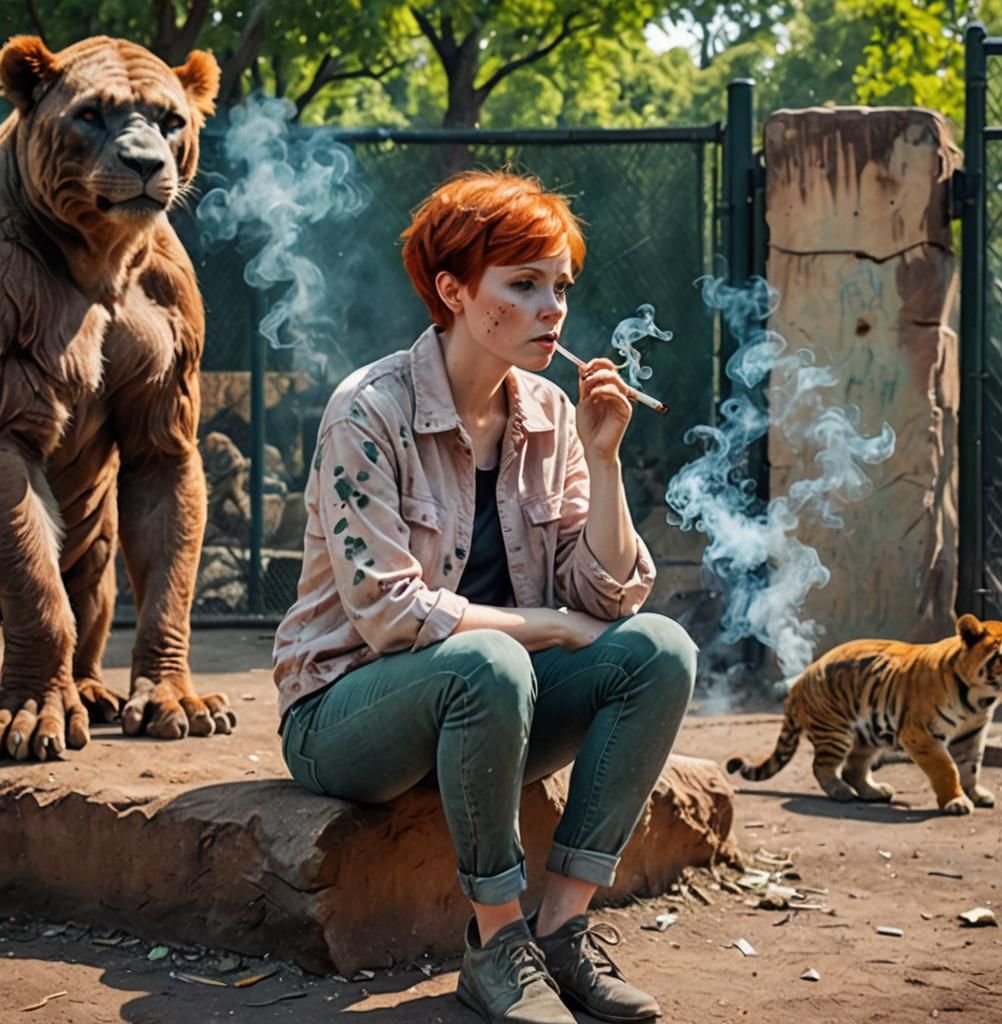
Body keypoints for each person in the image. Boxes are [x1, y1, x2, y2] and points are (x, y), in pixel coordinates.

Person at [273, 170, 698, 1024]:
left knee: (659, 650)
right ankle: (494, 945)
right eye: (525, 285)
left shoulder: (548, 413)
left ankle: (562, 931)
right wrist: (546, 626)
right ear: (453, 290)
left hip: (496, 705)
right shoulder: (369, 413)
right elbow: (392, 614)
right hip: (347, 720)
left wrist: (605, 456)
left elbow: (609, 594)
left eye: (561, 287)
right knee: (492, 659)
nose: (554, 309)